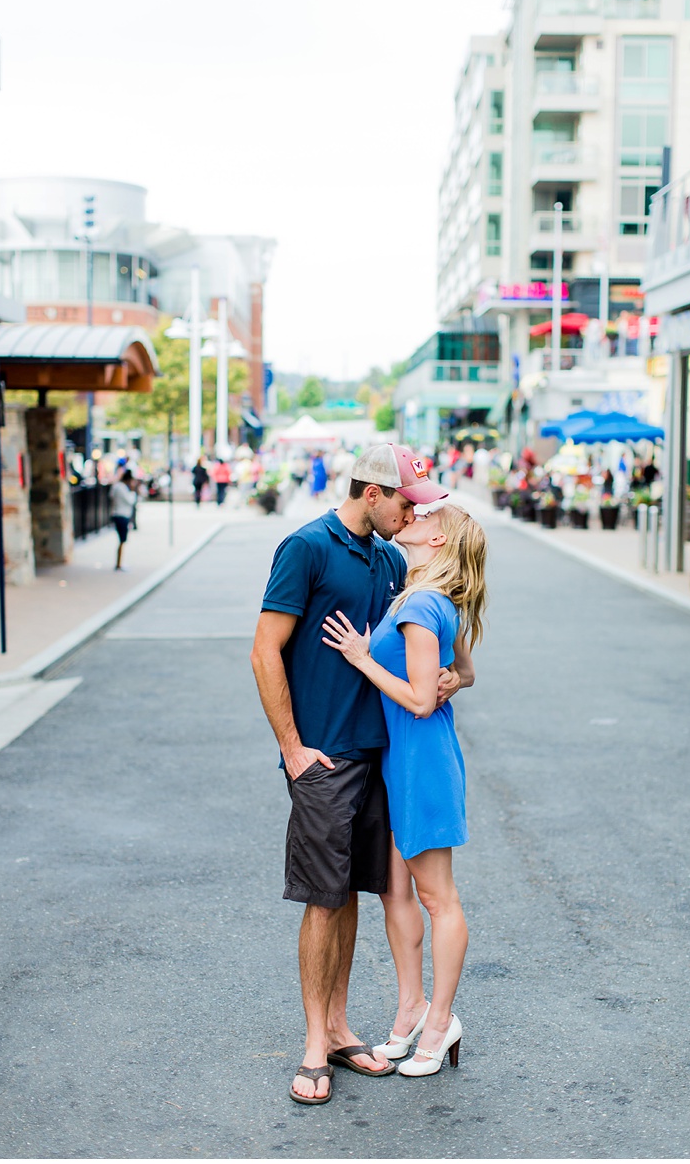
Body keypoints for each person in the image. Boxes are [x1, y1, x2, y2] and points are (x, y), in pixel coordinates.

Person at [250, 444, 455, 1106]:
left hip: (379, 754)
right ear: (372, 493)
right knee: (320, 895)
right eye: (405, 501)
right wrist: (292, 746)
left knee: (350, 893)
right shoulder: (306, 546)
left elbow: (418, 645)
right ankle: (315, 1040)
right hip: (324, 754)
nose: (411, 513)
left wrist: (451, 675)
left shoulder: (391, 559)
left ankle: (339, 1025)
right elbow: (264, 650)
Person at [321, 502, 488, 1078]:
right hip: (402, 759)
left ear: (440, 541)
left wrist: (362, 659)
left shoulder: (420, 604)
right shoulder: (422, 595)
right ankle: (409, 1009)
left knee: (438, 897)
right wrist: (453, 678)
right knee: (395, 891)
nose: (414, 515)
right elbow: (463, 669)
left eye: (427, 517)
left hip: (422, 761)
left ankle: (440, 1022)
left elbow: (419, 700)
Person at [109, 468, 136, 571]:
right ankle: (118, 563)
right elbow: (130, 501)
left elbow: (111, 497)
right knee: (122, 540)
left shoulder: (116, 487)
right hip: (122, 515)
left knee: (122, 540)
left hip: (116, 513)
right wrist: (133, 491)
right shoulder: (123, 488)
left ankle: (119, 563)